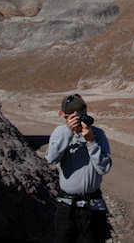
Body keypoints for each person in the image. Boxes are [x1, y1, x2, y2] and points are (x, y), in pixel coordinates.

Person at [46, 94, 112, 242]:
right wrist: (68, 134)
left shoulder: (98, 135)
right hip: (66, 206)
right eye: (70, 118)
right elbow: (51, 159)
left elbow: (104, 168)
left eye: (80, 116)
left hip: (93, 205)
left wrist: (91, 142)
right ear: (65, 117)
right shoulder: (60, 133)